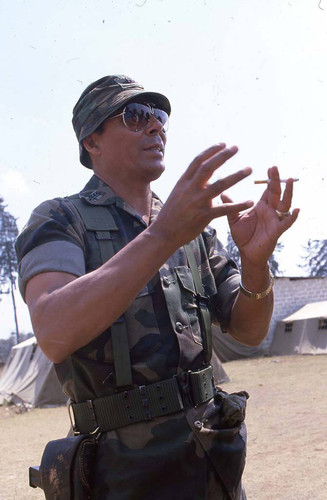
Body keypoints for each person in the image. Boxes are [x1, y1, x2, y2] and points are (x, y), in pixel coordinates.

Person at [15, 74, 299, 499]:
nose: (156, 127)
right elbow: (53, 332)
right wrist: (163, 235)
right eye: (136, 115)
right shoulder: (61, 219)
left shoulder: (192, 227)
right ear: (92, 141)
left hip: (212, 457)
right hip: (123, 474)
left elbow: (250, 331)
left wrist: (255, 264)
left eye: (160, 116)